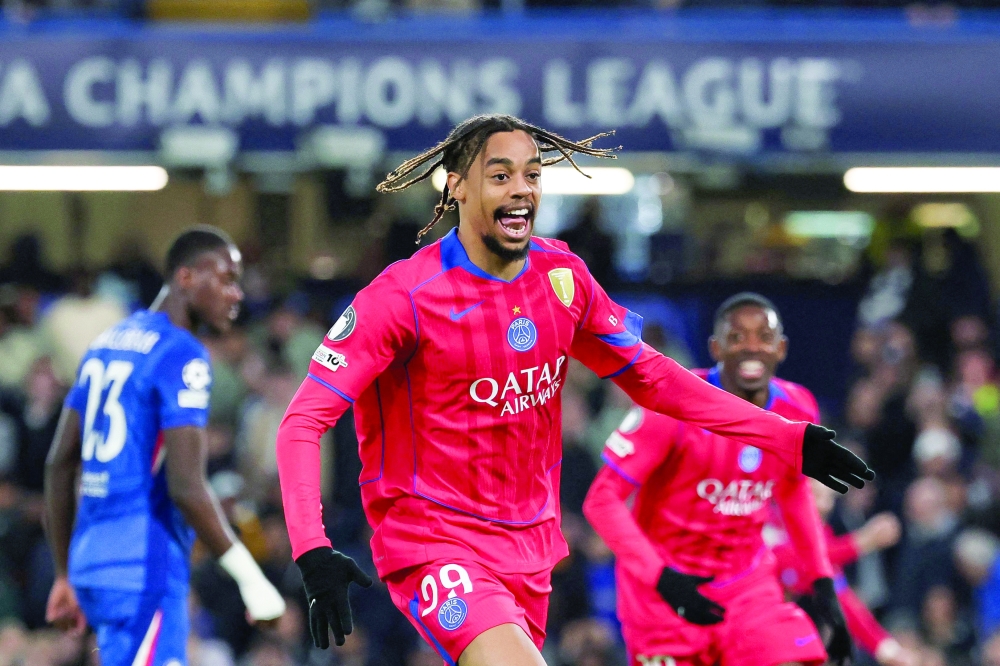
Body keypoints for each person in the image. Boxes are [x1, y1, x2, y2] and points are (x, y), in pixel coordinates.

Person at [275, 115, 873, 666]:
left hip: (533, 549)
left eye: (532, 175)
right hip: (436, 542)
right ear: (456, 186)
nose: (522, 190)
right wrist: (311, 548)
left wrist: (787, 439)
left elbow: (656, 378)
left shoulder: (563, 277)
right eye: (500, 175)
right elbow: (302, 423)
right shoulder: (402, 297)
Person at [43, 226, 286, 666]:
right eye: (226, 279)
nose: (236, 294)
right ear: (187, 278)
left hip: (91, 564)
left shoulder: (105, 344)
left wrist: (64, 572)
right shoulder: (182, 354)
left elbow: (60, 463)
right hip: (143, 566)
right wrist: (251, 578)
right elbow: (187, 488)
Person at [582, 293, 849, 666]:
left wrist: (822, 585)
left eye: (763, 336)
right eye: (737, 337)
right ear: (715, 348)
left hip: (747, 591)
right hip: (664, 599)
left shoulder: (798, 407)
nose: (751, 348)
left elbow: (792, 493)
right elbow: (602, 501)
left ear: (782, 348)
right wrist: (661, 578)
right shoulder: (669, 404)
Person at [772, 479, 916, 666]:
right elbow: (799, 559)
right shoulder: (768, 524)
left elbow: (841, 598)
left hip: (797, 645)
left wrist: (886, 649)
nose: (823, 505)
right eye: (815, 494)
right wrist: (864, 540)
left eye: (828, 497)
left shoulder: (824, 536)